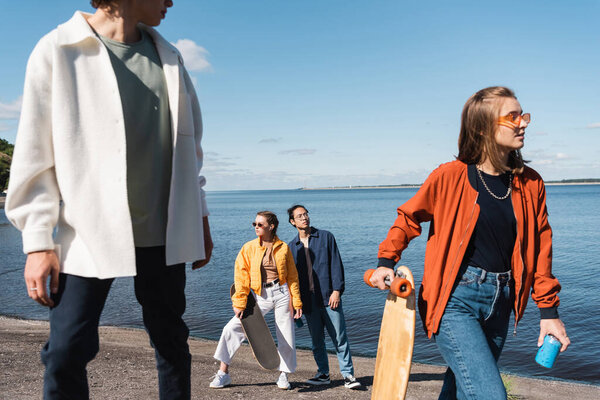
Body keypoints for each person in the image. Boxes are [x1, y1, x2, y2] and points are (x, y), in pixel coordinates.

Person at [5, 1, 213, 399]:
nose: (172, 2)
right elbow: (35, 151)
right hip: (87, 231)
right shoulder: (58, 48)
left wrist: (199, 219)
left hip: (165, 231)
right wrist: (37, 242)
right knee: (66, 350)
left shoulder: (171, 57)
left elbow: (192, 150)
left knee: (172, 343)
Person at [369, 86, 570, 400]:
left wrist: (549, 312)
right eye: (513, 116)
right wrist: (386, 261)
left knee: (461, 387)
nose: (524, 123)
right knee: (489, 395)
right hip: (455, 299)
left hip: (503, 300)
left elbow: (542, 248)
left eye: (524, 115)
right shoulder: (450, 176)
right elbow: (409, 217)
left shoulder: (531, 183)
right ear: (483, 126)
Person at [210, 211, 303, 390]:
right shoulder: (249, 247)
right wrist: (240, 302)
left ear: (271, 226)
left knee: (286, 335)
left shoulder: (283, 247)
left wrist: (297, 302)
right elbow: (241, 276)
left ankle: (284, 375)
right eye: (255, 224)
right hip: (260, 294)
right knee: (232, 328)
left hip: (282, 293)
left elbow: (293, 277)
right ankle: (223, 373)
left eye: (260, 224)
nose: (256, 227)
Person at [287, 205, 362, 389]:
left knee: (339, 338)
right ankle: (323, 374)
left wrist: (337, 290)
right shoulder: (291, 247)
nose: (304, 218)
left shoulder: (326, 237)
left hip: (329, 298)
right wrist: (294, 304)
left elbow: (336, 263)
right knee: (316, 341)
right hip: (308, 302)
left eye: (306, 214)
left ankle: (348, 375)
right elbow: (291, 278)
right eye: (299, 216)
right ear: (292, 221)